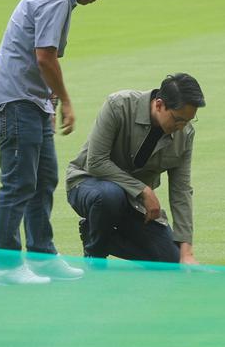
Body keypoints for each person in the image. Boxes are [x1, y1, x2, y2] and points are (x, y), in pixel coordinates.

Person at [0, 0, 121, 285]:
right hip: (13, 103)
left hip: (31, 102)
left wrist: (50, 98)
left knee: (43, 181)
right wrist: (66, 100)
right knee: (18, 185)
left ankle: (42, 256)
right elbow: (45, 57)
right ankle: (5, 267)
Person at [65, 74, 205, 265]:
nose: (181, 127)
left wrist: (187, 252)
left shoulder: (185, 134)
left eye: (188, 121)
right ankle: (95, 256)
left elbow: (181, 191)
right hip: (88, 184)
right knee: (109, 196)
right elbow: (96, 162)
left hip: (134, 202)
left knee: (170, 261)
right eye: (178, 119)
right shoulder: (118, 105)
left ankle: (96, 234)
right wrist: (143, 190)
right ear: (159, 105)